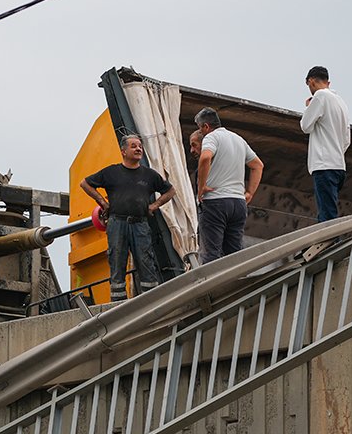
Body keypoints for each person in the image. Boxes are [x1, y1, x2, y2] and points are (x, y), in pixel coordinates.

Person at [80, 133, 178, 301]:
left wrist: (154, 205)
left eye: (139, 146)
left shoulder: (150, 175)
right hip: (117, 223)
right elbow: (85, 183)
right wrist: (102, 202)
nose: (138, 149)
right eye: (133, 146)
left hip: (140, 225)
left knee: (146, 263)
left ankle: (150, 301)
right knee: (117, 263)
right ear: (123, 151)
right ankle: (118, 305)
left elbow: (170, 191)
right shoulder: (111, 172)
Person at [194, 107, 264, 264]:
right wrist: (250, 193)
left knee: (211, 254)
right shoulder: (238, 139)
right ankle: (235, 286)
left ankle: (210, 288)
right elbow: (257, 165)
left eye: (200, 129)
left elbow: (205, 158)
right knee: (234, 255)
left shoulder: (211, 137)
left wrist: (202, 187)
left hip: (216, 201)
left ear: (205, 126)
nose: (201, 133)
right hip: (238, 203)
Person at [299, 65, 351, 222]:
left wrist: (309, 108)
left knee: (327, 216)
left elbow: (305, 126)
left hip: (324, 165)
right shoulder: (341, 102)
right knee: (328, 210)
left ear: (311, 81)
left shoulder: (320, 96)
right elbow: (347, 139)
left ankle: (331, 245)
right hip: (339, 165)